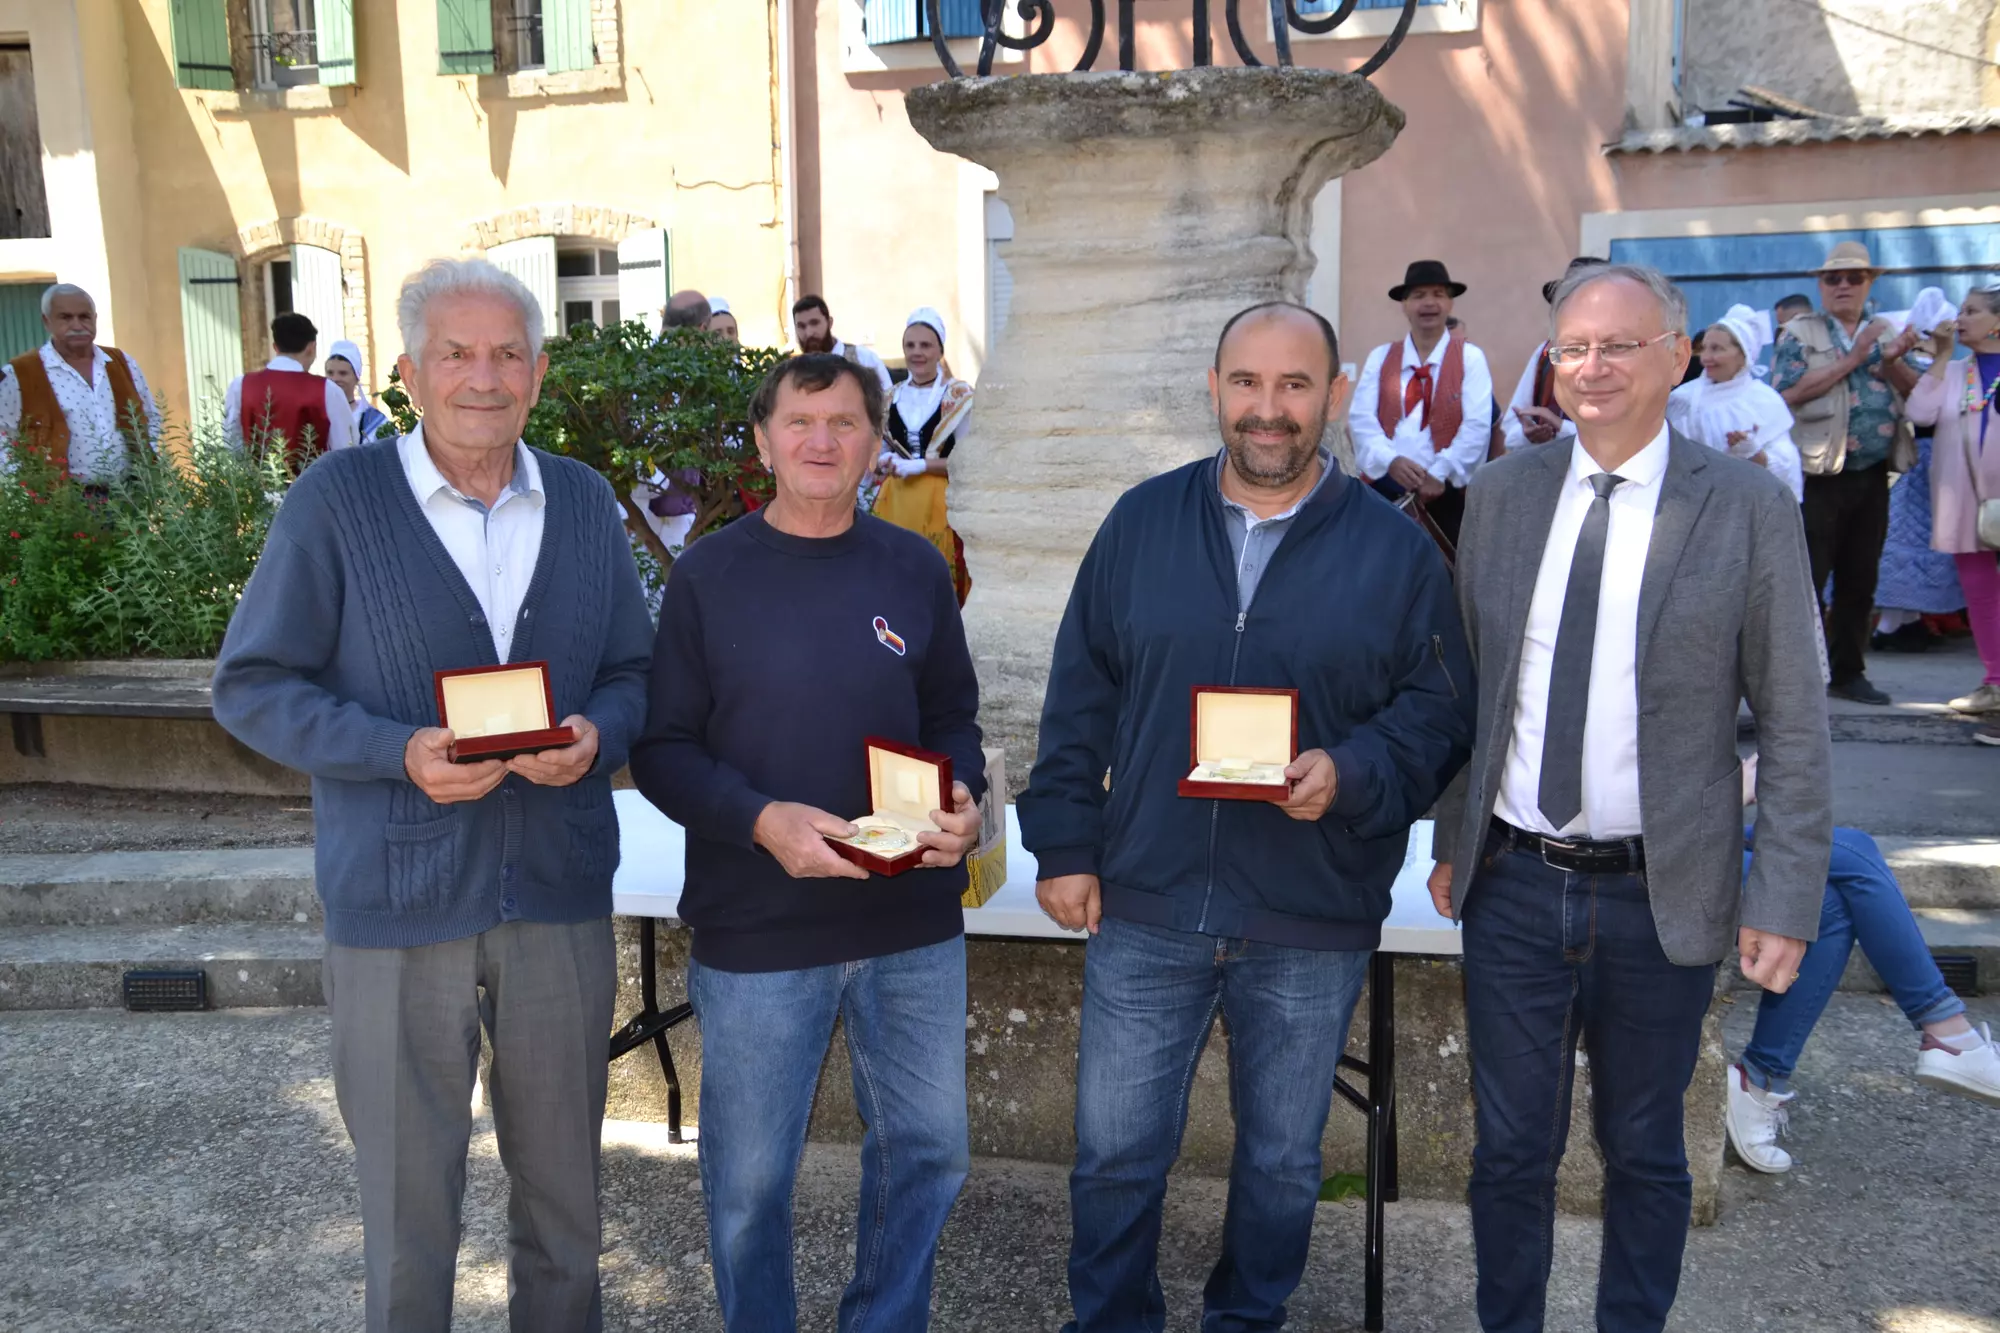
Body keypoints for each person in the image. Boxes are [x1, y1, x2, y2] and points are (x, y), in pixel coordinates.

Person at [211, 258, 654, 1333]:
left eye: (506, 353)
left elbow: (639, 675)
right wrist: (393, 747)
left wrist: (598, 736)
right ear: (408, 372)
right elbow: (251, 685)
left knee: (566, 1209)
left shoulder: (583, 502)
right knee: (409, 1219)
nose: (482, 377)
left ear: (539, 374)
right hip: (396, 906)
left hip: (554, 896)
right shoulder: (338, 502)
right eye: (455, 353)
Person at [1021, 301, 1474, 1332]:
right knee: (1115, 1152)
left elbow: (1442, 709)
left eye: (1293, 385)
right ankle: (1110, 1320)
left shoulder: (1393, 552)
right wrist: (1062, 842)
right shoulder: (1139, 523)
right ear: (1214, 389)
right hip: (1146, 900)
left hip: (1308, 909)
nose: (1266, 411)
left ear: (1333, 394)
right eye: (1245, 384)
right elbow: (1077, 693)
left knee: (1278, 1160)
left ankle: (1245, 1317)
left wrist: (1353, 770)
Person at [1429, 262, 1833, 1333]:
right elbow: (1472, 685)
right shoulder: (1505, 495)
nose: (1591, 366)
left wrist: (1783, 896)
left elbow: (1792, 719)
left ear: (1674, 353)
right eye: (1571, 347)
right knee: (1507, 1150)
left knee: (1646, 1152)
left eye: (1617, 345)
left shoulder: (1745, 508)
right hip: (1510, 882)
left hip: (1660, 894)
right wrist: (1450, 832)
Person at [630, 352, 984, 1332]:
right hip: (760, 928)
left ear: (876, 443)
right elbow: (661, 748)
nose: (821, 440)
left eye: (843, 423)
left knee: (926, 1152)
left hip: (909, 922)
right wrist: (759, 819)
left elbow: (952, 714)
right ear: (763, 440)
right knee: (749, 1183)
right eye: (800, 422)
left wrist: (963, 796)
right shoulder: (709, 574)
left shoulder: (913, 566)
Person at [1725, 755, 1998, 1174]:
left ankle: (1759, 1080)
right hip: (1638, 851)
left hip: (1698, 828)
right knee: (1852, 858)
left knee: (1834, 899)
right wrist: (1732, 792)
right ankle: (1949, 1034)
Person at [1773, 242, 1926, 706]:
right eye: (1833, 279)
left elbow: (1920, 395)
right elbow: (1788, 393)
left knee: (1861, 577)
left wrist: (1892, 360)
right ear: (1820, 286)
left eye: (1854, 278)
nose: (1843, 286)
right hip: (1819, 471)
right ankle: (1798, 678)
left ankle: (1848, 671)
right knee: (1810, 580)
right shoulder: (1800, 331)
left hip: (1874, 470)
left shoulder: (1887, 330)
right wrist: (1857, 356)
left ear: (1869, 284)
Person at [1348, 260, 1493, 545]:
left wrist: (1439, 472)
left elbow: (1477, 427)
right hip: (1386, 489)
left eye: (1438, 294)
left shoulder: (1470, 358)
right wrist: (1391, 461)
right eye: (1418, 295)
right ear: (1404, 305)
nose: (1429, 303)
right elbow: (1361, 420)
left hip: (1447, 493)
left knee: (1447, 577)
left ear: (1450, 303)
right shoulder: (1380, 357)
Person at [1906, 285, 2000, 715]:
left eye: (1971, 311)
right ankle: (1995, 683)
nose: (1960, 318)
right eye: (1960, 310)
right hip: (1965, 500)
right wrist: (1940, 357)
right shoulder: (1956, 370)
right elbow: (1920, 413)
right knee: (1980, 594)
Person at [1874, 289, 1970, 653]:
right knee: (1903, 540)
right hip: (1916, 458)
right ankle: (1894, 624)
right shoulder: (1916, 365)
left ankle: (1903, 623)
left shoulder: (1949, 368)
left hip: (1935, 460)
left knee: (1916, 541)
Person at [0, 282, 160, 482]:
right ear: (47, 321)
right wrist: (22, 489)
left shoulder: (121, 363)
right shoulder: (20, 374)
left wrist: (148, 460)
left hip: (129, 499)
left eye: (84, 316)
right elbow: (3, 435)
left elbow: (151, 417)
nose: (77, 325)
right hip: (63, 506)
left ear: (94, 319)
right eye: (66, 317)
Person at [872, 307, 975, 604]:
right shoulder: (891, 397)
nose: (917, 352)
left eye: (925, 345)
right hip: (896, 501)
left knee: (934, 581)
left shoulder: (958, 396)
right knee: (894, 582)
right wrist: (884, 461)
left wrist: (921, 465)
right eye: (910, 345)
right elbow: (883, 451)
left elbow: (968, 464)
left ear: (940, 349)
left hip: (940, 502)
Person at [1667, 303, 1804, 500]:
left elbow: (1788, 465)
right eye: (1704, 348)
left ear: (1743, 354)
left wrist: (1755, 454)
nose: (1706, 357)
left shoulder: (1764, 400)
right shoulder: (1682, 399)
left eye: (1717, 349)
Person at [224, 311, 358, 471]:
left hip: (257, 489)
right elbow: (346, 448)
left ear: (275, 347)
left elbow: (232, 443)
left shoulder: (241, 386)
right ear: (311, 347)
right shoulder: (327, 390)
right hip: (312, 489)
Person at [1500, 258, 1600, 455]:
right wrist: (1528, 434)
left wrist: (1560, 427)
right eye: (1568, 301)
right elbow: (1511, 429)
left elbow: (1622, 433)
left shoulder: (1621, 357)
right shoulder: (1545, 353)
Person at [792, 293, 894, 397]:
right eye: (801, 326)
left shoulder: (863, 358)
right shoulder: (795, 372)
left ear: (829, 323)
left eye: (814, 323)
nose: (809, 333)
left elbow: (888, 399)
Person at [323, 339, 394, 446]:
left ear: (356, 377)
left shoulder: (373, 420)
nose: (335, 378)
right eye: (330, 373)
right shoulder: (319, 413)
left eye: (343, 373)